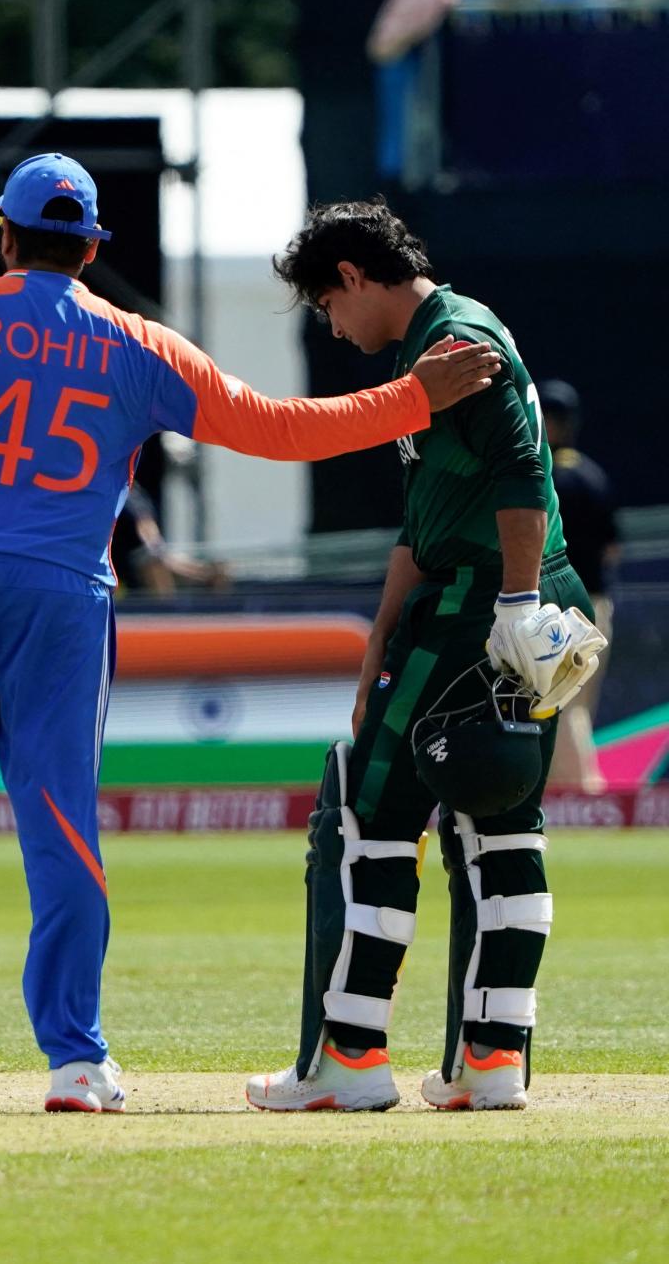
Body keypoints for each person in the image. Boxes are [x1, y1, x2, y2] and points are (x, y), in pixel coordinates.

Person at [0, 155, 499, 1115]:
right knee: (61, 822)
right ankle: (77, 1061)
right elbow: (282, 428)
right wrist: (415, 398)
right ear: (89, 249)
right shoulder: (138, 346)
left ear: (4, 236)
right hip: (63, 600)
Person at [245, 197, 603, 1114]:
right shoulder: (429, 352)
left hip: (484, 599)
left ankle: (349, 1057)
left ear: (356, 277)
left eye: (330, 305)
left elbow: (526, 476)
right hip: (502, 594)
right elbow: (424, 520)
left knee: (366, 811)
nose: (333, 324)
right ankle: (491, 1061)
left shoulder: (455, 341)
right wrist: (375, 652)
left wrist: (514, 606)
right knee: (501, 817)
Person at [540, 380, 618, 793]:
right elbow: (612, 551)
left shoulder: (550, 480)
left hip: (563, 606)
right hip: (599, 603)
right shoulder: (593, 475)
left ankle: (587, 794)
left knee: (561, 703)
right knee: (578, 706)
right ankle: (581, 790)